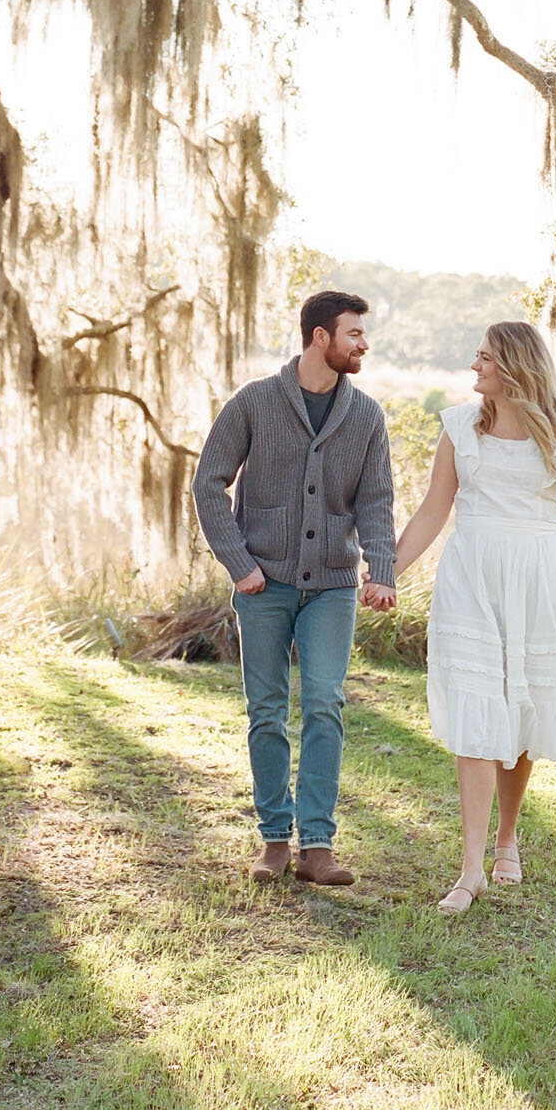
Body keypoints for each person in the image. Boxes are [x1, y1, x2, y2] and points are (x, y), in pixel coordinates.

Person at [394, 320, 556, 915]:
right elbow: (434, 511)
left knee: (525, 705)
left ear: (514, 365)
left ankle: (507, 839)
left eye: (484, 358)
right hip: (471, 577)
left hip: (540, 577)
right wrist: (387, 571)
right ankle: (470, 870)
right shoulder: (459, 426)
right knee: (476, 708)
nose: (474, 366)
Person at [192, 290, 397, 885]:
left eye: (362, 333)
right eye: (353, 333)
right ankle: (275, 839)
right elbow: (209, 485)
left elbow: (376, 500)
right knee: (267, 711)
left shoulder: (367, 416)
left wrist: (380, 569)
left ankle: (318, 846)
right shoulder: (254, 402)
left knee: (326, 704)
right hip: (263, 587)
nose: (363, 344)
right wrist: (239, 563)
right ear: (319, 338)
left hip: (332, 586)